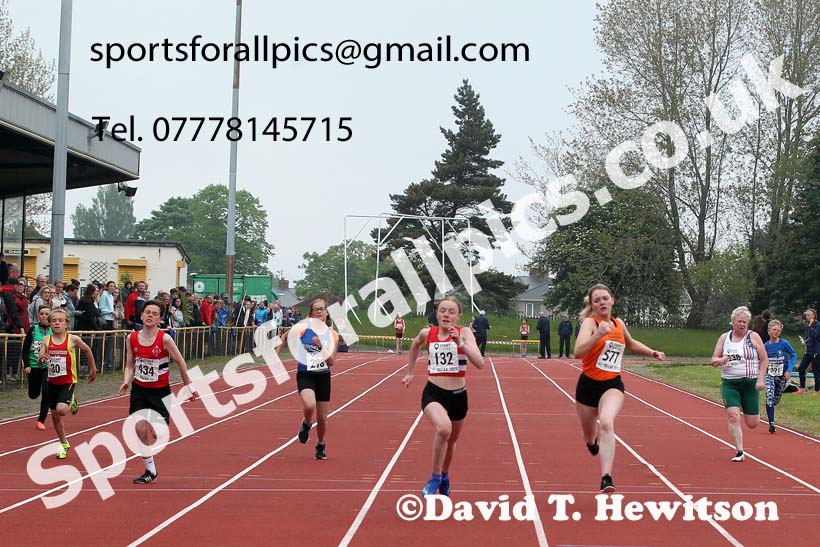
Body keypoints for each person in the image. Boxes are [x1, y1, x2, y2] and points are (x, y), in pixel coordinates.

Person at [574, 284, 665, 492]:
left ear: (612, 300)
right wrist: (597, 335)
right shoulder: (590, 323)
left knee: (606, 422)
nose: (601, 303)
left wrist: (652, 352)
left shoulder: (618, 323)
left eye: (605, 298)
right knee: (589, 435)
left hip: (612, 384)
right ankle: (591, 442)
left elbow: (631, 344)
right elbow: (578, 352)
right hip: (588, 386)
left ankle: (606, 477)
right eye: (596, 300)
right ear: (592, 305)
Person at [402, 297, 484, 496]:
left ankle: (445, 475)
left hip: (458, 396)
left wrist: (461, 343)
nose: (446, 315)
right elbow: (414, 346)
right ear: (437, 314)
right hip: (434, 393)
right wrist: (410, 371)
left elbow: (479, 363)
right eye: (443, 311)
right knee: (443, 429)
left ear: (458, 316)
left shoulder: (464, 333)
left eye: (451, 312)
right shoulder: (427, 333)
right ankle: (435, 477)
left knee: (451, 441)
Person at [118, 301, 196, 483]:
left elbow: (180, 361)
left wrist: (188, 386)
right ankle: (150, 470)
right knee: (139, 428)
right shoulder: (132, 338)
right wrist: (126, 381)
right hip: (139, 389)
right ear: (142, 315)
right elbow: (130, 364)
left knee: (157, 433)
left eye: (154, 313)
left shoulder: (165, 339)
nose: (150, 315)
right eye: (147, 312)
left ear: (160, 318)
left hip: (160, 391)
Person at [278, 298, 338, 460]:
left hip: (323, 377)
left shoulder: (332, 335)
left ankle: (320, 444)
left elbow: (331, 361)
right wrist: (277, 352)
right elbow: (284, 337)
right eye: (315, 309)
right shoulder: (303, 329)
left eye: (322, 309)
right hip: (305, 374)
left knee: (322, 418)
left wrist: (320, 347)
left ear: (327, 312)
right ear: (311, 314)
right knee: (309, 405)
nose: (319, 312)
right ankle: (306, 423)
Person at [37, 308, 97, 459]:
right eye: (54, 321)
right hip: (52, 382)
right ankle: (64, 443)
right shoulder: (46, 340)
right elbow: (39, 359)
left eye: (60, 321)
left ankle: (71, 401)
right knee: (55, 416)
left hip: (68, 381)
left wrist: (93, 369)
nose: (57, 323)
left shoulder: (72, 339)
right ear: (49, 324)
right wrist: (41, 359)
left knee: (62, 409)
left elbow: (87, 350)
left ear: (67, 324)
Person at [710, 306, 767, 462]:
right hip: (730, 384)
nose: (742, 324)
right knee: (733, 416)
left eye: (744, 322)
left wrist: (761, 379)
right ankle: (740, 451)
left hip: (750, 384)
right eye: (739, 321)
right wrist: (719, 360)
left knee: (752, 423)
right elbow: (713, 359)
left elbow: (764, 359)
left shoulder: (753, 337)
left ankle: (748, 406)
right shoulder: (724, 338)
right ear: (732, 322)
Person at [763, 320, 797, 433]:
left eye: (778, 330)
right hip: (770, 375)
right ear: (769, 331)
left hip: (782, 376)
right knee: (769, 396)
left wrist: (789, 370)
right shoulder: (765, 346)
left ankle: (772, 408)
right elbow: (761, 360)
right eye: (774, 330)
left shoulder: (784, 343)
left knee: (775, 400)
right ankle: (771, 423)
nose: (776, 332)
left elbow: (793, 354)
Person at [23, 305, 52, 429]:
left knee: (46, 392)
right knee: (33, 394)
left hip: (48, 366)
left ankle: (41, 420)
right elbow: (25, 350)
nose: (44, 316)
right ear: (38, 315)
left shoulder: (54, 330)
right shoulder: (33, 330)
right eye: (42, 314)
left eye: (46, 314)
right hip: (34, 366)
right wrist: (27, 365)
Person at [795, 308, 820, 395]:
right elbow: (809, 338)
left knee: (816, 370)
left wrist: (810, 326)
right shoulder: (808, 326)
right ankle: (802, 388)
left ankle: (816, 390)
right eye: (806, 315)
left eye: (808, 315)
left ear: (813, 316)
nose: (807, 317)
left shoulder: (817, 325)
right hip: (809, 351)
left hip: (816, 351)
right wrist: (804, 343)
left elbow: (814, 336)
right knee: (801, 368)